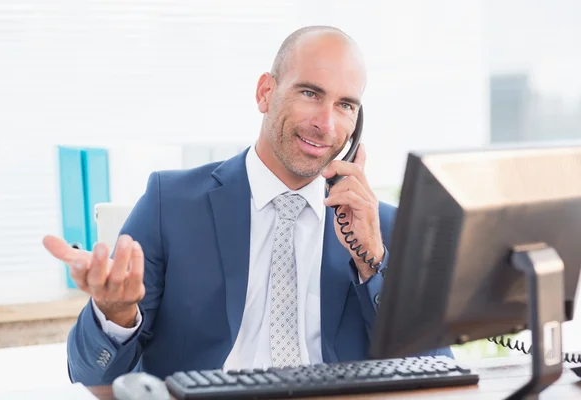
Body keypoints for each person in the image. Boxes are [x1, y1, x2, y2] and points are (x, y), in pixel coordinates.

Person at [43, 25, 453, 386]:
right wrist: (113, 314)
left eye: (345, 105)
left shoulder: (380, 226)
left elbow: (436, 372)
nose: (326, 124)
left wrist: (373, 263)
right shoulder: (171, 202)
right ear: (265, 93)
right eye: (310, 93)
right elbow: (92, 374)